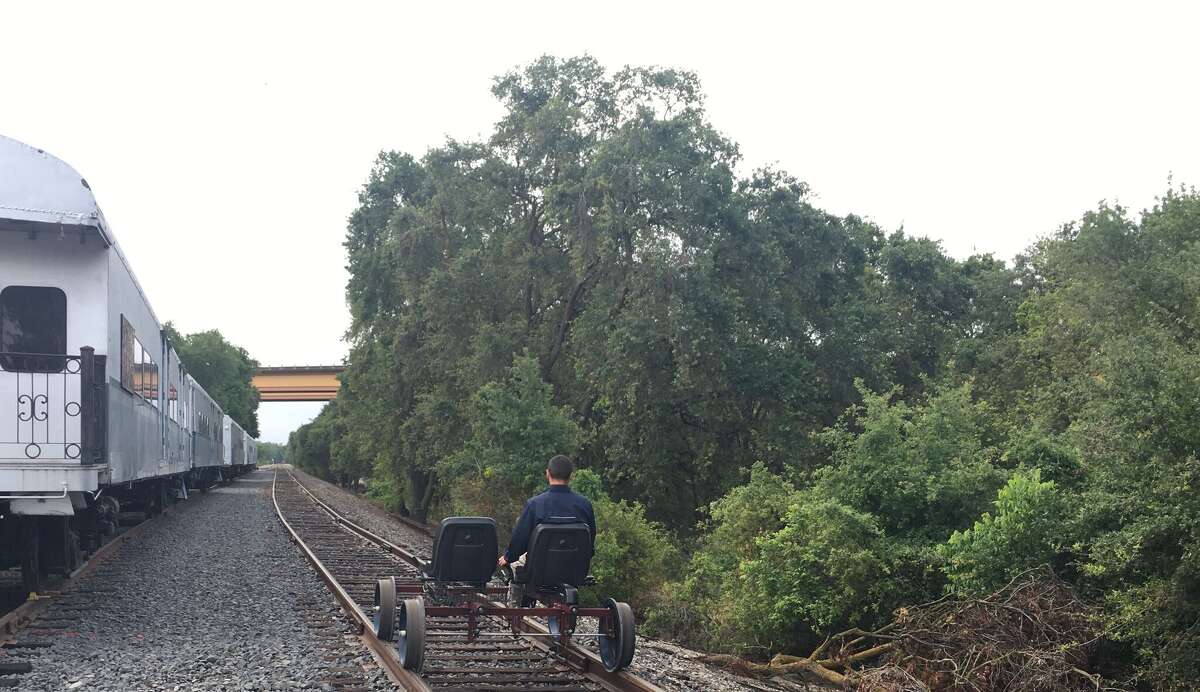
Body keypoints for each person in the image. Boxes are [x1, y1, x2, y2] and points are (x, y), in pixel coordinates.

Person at [497, 454, 595, 605]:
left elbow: (520, 539)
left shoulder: (535, 504)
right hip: (573, 568)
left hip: (539, 570)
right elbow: (590, 542)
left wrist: (508, 557)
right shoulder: (585, 505)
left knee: (515, 566)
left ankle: (517, 610)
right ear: (571, 476)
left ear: (547, 473)